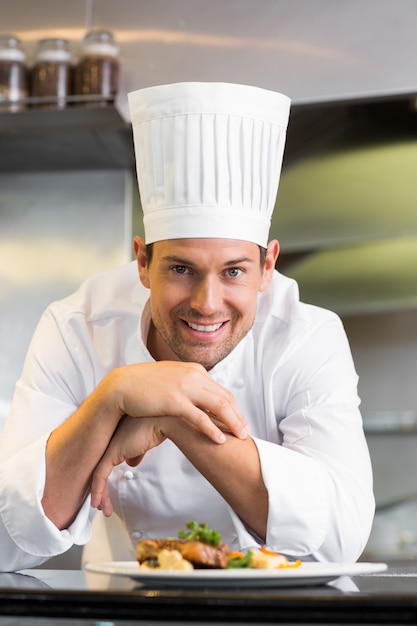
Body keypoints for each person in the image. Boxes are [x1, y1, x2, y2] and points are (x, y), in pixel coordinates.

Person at [0, 82, 375, 572]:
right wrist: (111, 397)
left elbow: (339, 540)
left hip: (274, 614)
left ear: (268, 267)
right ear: (141, 262)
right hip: (125, 611)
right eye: (181, 269)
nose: (207, 303)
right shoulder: (78, 327)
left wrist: (176, 419)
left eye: (234, 271)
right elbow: (9, 542)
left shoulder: (307, 338)